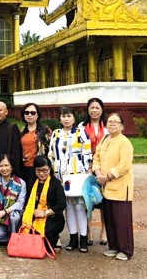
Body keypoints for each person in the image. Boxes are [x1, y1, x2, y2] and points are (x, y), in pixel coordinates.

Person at [49, 105, 92, 252]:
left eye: (69, 116)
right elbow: (51, 155)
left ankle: (84, 239)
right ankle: (73, 238)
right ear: (59, 119)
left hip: (77, 176)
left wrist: (88, 173)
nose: (66, 119)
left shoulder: (81, 133)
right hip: (61, 176)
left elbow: (87, 154)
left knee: (79, 206)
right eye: (63, 116)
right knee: (68, 207)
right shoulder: (56, 134)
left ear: (74, 118)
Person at [93, 112, 134, 261]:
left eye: (115, 122)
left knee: (122, 220)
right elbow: (96, 157)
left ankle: (126, 249)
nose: (112, 124)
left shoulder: (124, 142)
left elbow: (124, 165)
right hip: (105, 187)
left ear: (122, 126)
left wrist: (107, 176)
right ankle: (114, 246)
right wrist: (97, 171)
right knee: (110, 219)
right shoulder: (105, 139)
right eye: (109, 121)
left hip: (120, 187)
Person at [77, 97, 108, 246]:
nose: (94, 110)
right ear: (87, 110)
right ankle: (88, 230)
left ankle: (104, 231)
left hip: (104, 168)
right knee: (87, 199)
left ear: (102, 110)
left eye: (97, 108)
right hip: (86, 168)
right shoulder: (81, 127)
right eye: (92, 108)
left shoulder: (107, 127)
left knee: (104, 200)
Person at [22, 155, 66, 251]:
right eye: (38, 170)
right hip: (34, 215)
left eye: (45, 170)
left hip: (51, 217)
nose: (41, 173)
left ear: (50, 169)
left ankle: (56, 238)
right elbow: (27, 201)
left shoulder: (56, 184)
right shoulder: (32, 182)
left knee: (45, 246)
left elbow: (62, 204)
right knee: (26, 233)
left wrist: (45, 213)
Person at [0, 154, 27, 244]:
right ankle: (12, 239)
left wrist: (5, 211)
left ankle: (14, 236)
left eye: (6, 165)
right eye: (1, 166)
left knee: (15, 217)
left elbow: (20, 203)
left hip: (13, 215)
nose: (4, 168)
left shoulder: (21, 183)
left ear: (12, 166)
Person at [20, 102, 51, 186]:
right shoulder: (21, 131)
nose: (30, 115)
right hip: (24, 168)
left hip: (40, 168)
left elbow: (50, 149)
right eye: (27, 113)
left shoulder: (44, 130)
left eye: (33, 113)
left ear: (38, 115)